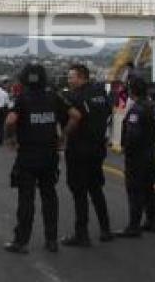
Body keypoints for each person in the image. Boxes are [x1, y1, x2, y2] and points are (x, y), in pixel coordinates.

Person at [4, 63, 81, 254]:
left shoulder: (22, 99)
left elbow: (10, 121)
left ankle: (21, 242)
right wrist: (63, 136)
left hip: (28, 156)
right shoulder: (54, 97)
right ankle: (51, 240)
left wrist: (11, 138)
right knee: (49, 197)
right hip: (49, 155)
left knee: (26, 199)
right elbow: (76, 116)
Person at [61, 64, 114, 246]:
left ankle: (81, 234)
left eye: (71, 77)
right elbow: (108, 114)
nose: (69, 81)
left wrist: (63, 135)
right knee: (96, 189)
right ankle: (105, 229)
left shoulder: (75, 96)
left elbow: (74, 119)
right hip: (98, 148)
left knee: (79, 191)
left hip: (78, 149)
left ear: (82, 77)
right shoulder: (101, 93)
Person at [116, 77, 155, 237]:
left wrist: (125, 148)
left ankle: (133, 226)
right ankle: (151, 221)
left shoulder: (137, 109)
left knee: (135, 190)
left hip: (138, 156)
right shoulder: (154, 107)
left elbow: (133, 135)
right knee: (149, 188)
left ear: (131, 91)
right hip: (151, 152)